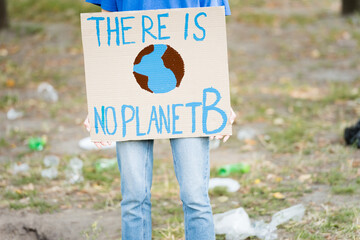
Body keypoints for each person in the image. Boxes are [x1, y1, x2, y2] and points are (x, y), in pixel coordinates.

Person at [83, 1, 235, 239]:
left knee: (195, 196)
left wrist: (221, 98)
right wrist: (102, 102)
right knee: (134, 197)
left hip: (190, 95)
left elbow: (211, 37)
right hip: (128, 98)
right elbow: (108, 39)